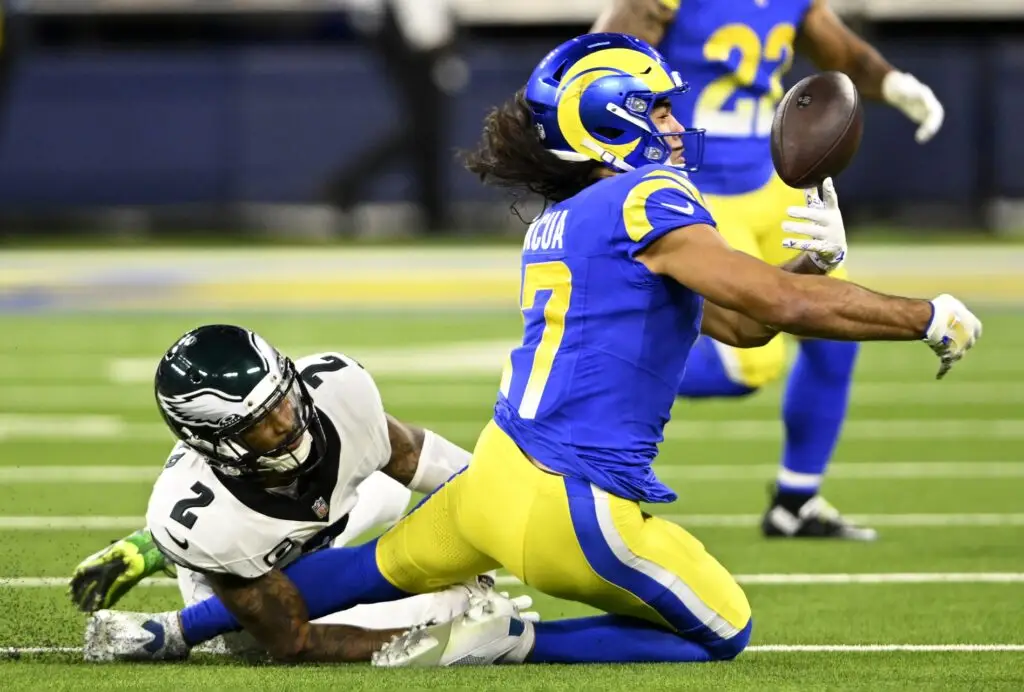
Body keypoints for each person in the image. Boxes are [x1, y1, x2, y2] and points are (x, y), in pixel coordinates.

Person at [83, 33, 979, 667]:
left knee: (351, 573)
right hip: (573, 508)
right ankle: (518, 644)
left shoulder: (560, 222)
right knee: (725, 630)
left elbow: (741, 320)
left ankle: (170, 634)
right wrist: (923, 314)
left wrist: (806, 263)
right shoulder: (647, 199)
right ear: (613, 122)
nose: (673, 122)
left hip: (497, 480)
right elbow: (771, 303)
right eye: (656, 107)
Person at [591, 0, 946, 540]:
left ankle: (795, 501)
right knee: (746, 366)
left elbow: (839, 48)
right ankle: (594, 371)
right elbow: (596, 68)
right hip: (695, 182)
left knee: (834, 328)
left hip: (770, 175)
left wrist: (894, 83)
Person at [75, 323, 533, 663]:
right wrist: (448, 640)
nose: (287, 426)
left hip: (310, 524)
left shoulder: (339, 391)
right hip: (250, 571)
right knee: (454, 607)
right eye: (257, 426)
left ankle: (153, 551)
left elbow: (416, 457)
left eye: (283, 402)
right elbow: (292, 640)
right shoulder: (214, 523)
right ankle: (179, 617)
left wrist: (512, 508)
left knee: (392, 495)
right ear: (214, 444)